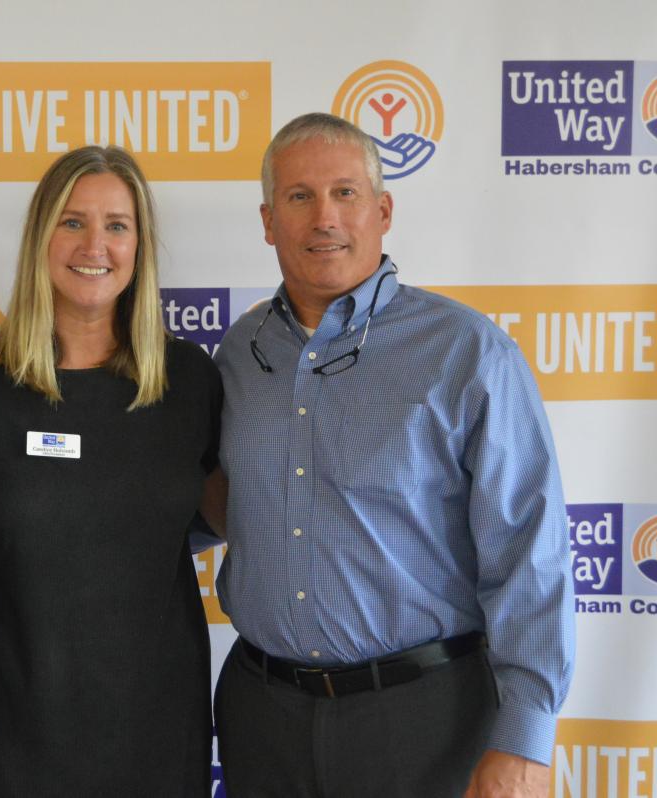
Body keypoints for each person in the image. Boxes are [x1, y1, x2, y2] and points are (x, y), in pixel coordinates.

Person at [204, 113, 575, 798]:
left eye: (345, 193)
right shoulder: (240, 352)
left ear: (383, 211)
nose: (324, 217)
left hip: (423, 718)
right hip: (263, 715)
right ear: (268, 221)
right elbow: (209, 501)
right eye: (299, 196)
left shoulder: (468, 352)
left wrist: (523, 737)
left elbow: (529, 551)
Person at [0, 146, 221, 798]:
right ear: (41, 236)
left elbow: (227, 513)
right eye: (72, 222)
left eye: (117, 225)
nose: (95, 245)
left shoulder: (190, 382)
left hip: (160, 731)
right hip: (13, 735)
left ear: (139, 246)